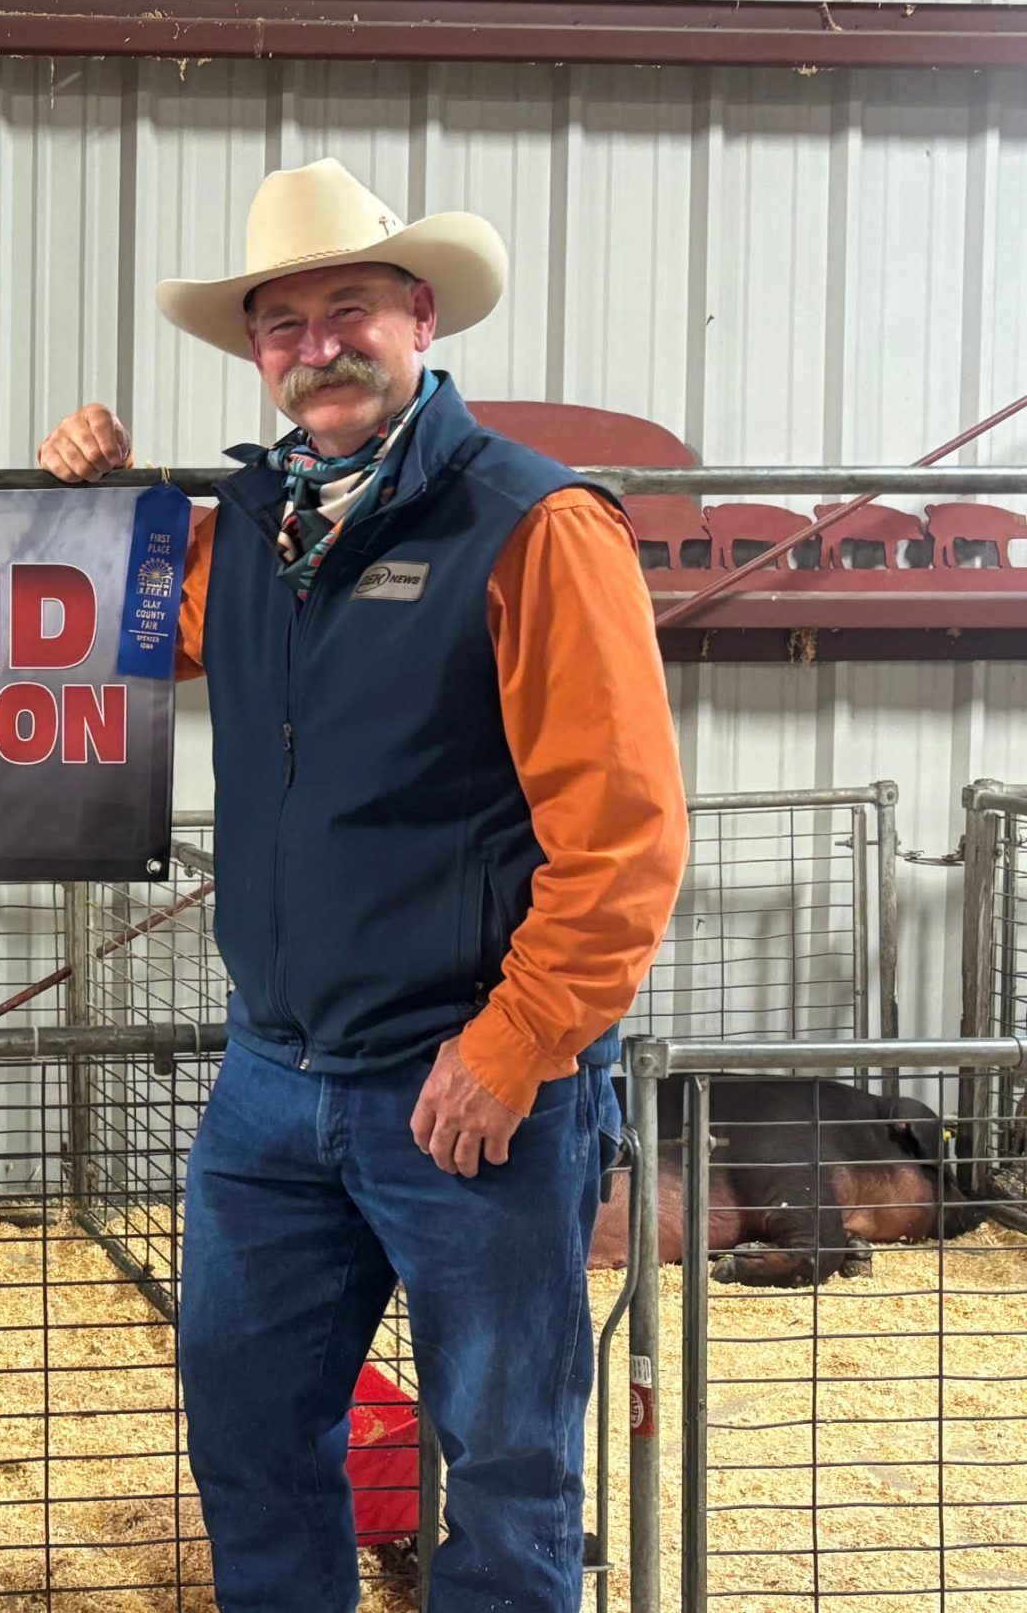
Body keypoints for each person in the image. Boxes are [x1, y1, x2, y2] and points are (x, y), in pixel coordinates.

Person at [39, 160, 686, 1612]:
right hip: (272, 1078)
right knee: (252, 1438)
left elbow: (628, 834)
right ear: (257, 353)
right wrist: (91, 498)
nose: (317, 343)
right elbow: (144, 630)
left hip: (467, 1084)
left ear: (422, 317)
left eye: (350, 309)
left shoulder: (535, 526)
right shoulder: (257, 529)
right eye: (283, 322)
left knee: (509, 1468)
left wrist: (519, 1045)